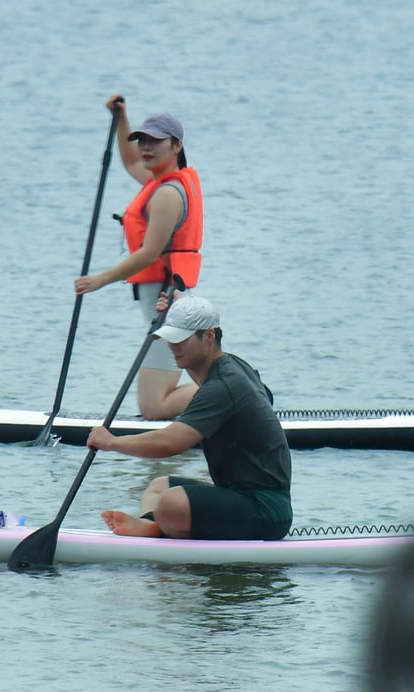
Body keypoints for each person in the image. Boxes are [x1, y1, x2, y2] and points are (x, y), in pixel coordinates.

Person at [87, 293, 292, 541]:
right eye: (171, 338)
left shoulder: (223, 385)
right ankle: (154, 525)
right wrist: (182, 307)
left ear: (209, 336)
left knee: (171, 502)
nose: (173, 347)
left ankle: (158, 527)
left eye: (181, 339)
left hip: (265, 510)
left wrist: (111, 443)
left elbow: (169, 443)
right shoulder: (234, 367)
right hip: (238, 495)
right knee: (159, 486)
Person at [74, 95, 205, 421]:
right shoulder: (160, 181)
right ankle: (223, 390)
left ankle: (234, 388)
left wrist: (100, 279)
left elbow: (148, 254)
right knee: (153, 405)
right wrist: (121, 119)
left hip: (168, 307)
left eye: (155, 142)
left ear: (176, 146)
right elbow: (132, 162)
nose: (146, 148)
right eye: (142, 141)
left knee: (153, 407)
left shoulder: (166, 194)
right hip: (170, 303)